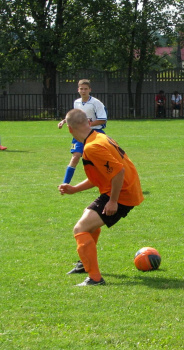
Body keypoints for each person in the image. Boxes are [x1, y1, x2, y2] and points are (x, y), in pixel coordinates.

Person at [58, 109, 144, 286]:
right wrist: (74, 189)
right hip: (122, 189)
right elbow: (102, 174)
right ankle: (85, 264)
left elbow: (118, 172)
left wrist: (113, 201)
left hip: (122, 193)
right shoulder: (98, 137)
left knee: (80, 229)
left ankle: (95, 278)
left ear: (70, 130)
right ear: (88, 122)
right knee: (87, 219)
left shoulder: (92, 147)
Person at [58, 79, 108, 186]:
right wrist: (64, 121)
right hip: (80, 133)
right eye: (81, 89)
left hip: (95, 133)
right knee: (76, 156)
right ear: (78, 90)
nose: (83, 91)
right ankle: (65, 184)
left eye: (85, 89)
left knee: (99, 159)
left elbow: (103, 119)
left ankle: (109, 180)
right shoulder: (77, 102)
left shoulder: (96, 103)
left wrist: (88, 125)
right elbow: (75, 116)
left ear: (90, 89)